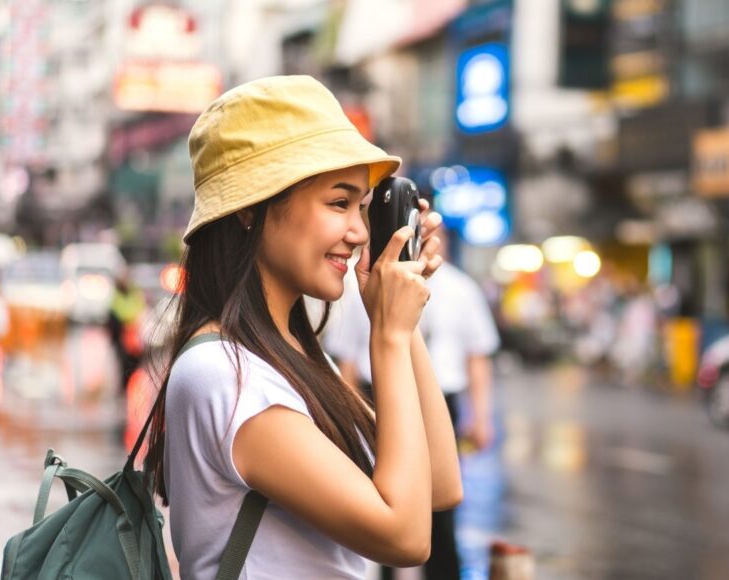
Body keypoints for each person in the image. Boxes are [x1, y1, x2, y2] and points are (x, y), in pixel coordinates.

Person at [141, 75, 462, 578]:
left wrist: (397, 307)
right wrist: (390, 337)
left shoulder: (286, 356)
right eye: (339, 203)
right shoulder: (224, 375)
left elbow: (440, 485)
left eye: (361, 206)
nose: (358, 232)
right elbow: (406, 537)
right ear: (249, 207)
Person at [324, 226, 500, 580]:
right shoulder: (362, 282)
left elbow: (477, 356)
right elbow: (349, 361)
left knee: (438, 515)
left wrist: (481, 416)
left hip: (440, 397)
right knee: (387, 500)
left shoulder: (460, 288)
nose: (356, 233)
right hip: (376, 396)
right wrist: (346, 418)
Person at [108, 270, 146, 392]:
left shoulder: (132, 294)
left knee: (131, 363)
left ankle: (129, 386)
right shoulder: (118, 298)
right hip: (124, 337)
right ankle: (126, 387)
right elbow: (126, 313)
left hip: (132, 337)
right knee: (125, 363)